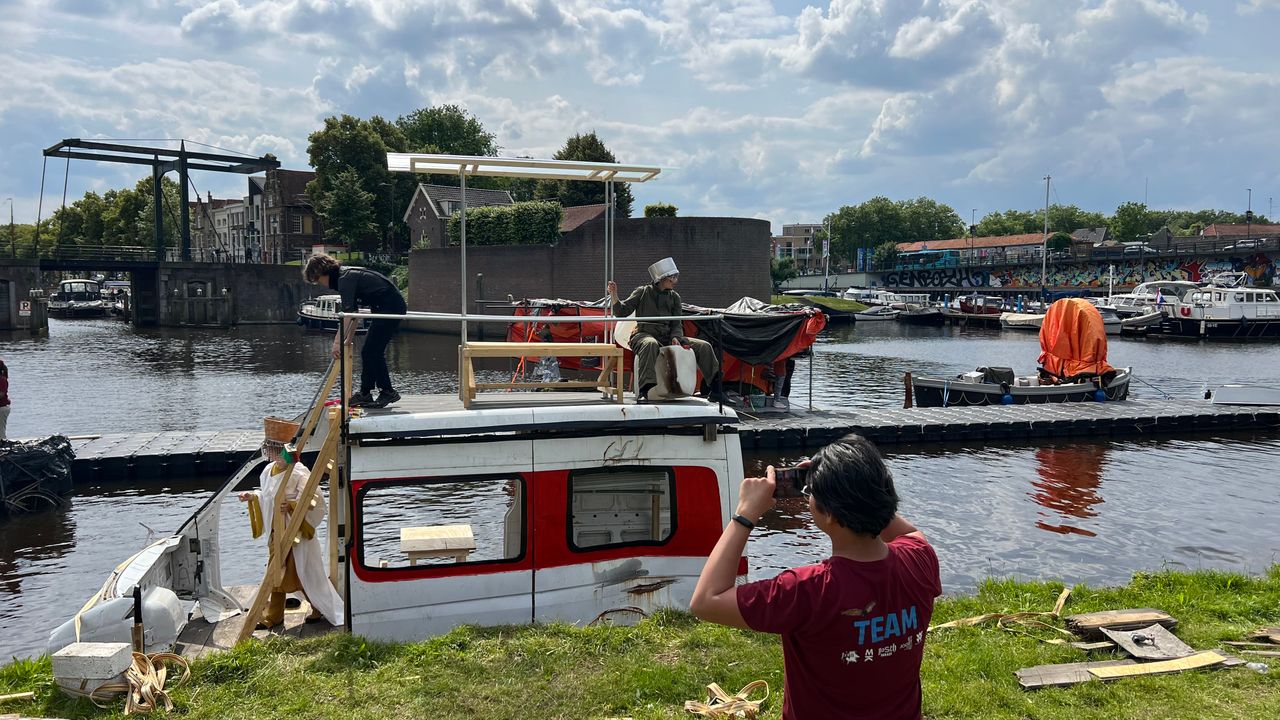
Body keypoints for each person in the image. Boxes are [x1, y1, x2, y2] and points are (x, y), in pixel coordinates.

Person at [690, 435, 942, 720]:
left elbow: (706, 601)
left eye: (811, 492)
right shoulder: (920, 560)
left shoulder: (806, 590)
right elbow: (908, 534)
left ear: (830, 514)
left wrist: (745, 514)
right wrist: (861, 488)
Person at [238, 416, 344, 628]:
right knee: (276, 573)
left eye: (277, 452)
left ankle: (316, 608)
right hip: (276, 531)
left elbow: (314, 498)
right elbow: (267, 495)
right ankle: (274, 616)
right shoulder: (268, 471)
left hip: (295, 532)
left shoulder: (298, 471)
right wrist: (253, 497)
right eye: (271, 451)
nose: (274, 456)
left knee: (300, 573)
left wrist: (293, 506)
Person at [607, 257, 722, 403]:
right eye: (672, 277)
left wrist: (676, 337)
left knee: (703, 346)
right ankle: (644, 391)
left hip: (667, 336)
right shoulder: (642, 292)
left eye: (675, 277)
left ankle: (716, 389)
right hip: (643, 334)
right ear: (661, 278)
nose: (675, 281)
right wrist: (614, 295)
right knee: (650, 344)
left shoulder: (675, 297)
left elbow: (676, 323)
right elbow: (621, 312)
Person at [303, 253, 406, 408]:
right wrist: (348, 338)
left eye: (317, 280)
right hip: (385, 307)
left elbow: (348, 314)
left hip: (390, 308)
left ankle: (387, 391)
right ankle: (365, 394)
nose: (320, 283)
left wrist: (337, 342)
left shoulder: (345, 279)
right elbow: (354, 313)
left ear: (321, 273)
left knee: (373, 352)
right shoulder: (345, 276)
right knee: (369, 352)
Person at [0, 359, 9, 440]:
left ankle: (3, 448)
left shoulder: (2, 379)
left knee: (1, 432)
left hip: (2, 408)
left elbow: (1, 394)